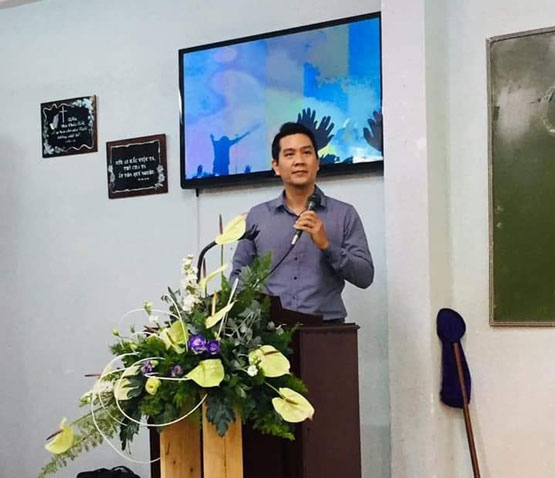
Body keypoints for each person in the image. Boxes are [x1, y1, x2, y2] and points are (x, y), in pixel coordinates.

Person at [230, 122, 374, 321]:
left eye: (306, 153)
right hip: (269, 332)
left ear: (317, 162)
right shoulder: (258, 216)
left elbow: (365, 276)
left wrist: (327, 246)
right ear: (276, 166)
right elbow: (238, 276)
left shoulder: (344, 214)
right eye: (289, 154)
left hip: (327, 330)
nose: (299, 161)